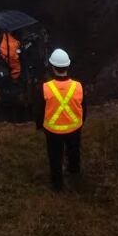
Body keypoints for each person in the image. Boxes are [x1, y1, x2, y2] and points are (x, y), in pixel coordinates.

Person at [36, 48, 85, 191]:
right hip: (74, 129)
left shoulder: (45, 88)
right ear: (67, 66)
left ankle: (57, 185)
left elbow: (39, 111)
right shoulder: (78, 86)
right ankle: (74, 172)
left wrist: (40, 125)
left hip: (53, 131)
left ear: (52, 67)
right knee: (74, 152)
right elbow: (84, 108)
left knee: (55, 157)